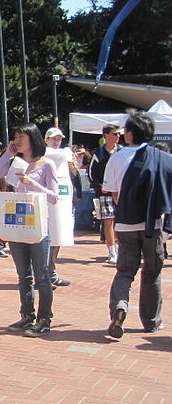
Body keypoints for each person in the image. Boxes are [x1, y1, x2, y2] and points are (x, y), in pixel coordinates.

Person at [0, 123, 59, 337]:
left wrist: (33, 184)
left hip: (38, 227)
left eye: (21, 137)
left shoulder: (47, 165)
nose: (17, 141)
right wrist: (7, 154)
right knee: (23, 274)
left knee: (42, 275)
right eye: (15, 137)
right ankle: (27, 315)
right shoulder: (14, 162)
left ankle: (45, 319)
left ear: (32, 139)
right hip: (17, 224)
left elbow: (54, 198)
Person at [102, 112, 170, 338]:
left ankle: (120, 307)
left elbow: (115, 195)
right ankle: (151, 321)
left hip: (126, 224)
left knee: (124, 272)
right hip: (154, 225)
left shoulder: (117, 158)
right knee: (152, 272)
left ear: (130, 133)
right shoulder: (161, 157)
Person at [43, 128, 74, 287]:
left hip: (61, 201)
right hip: (47, 204)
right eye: (54, 139)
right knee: (47, 238)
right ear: (46, 139)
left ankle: (52, 272)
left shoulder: (62, 155)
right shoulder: (44, 153)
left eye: (59, 139)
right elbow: (65, 153)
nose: (57, 142)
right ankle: (44, 274)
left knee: (58, 237)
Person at [89, 124, 122, 264]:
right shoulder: (99, 153)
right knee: (108, 221)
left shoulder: (122, 152)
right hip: (105, 193)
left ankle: (122, 250)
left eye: (119, 134)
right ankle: (112, 252)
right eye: (115, 133)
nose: (118, 136)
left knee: (120, 223)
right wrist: (100, 186)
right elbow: (91, 174)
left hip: (122, 193)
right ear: (106, 136)